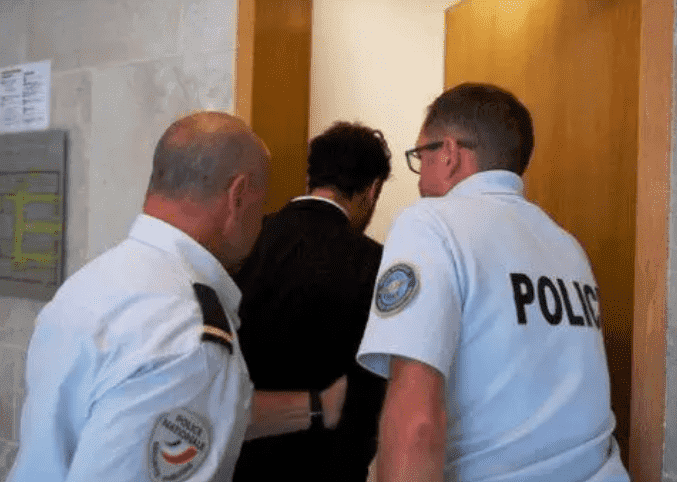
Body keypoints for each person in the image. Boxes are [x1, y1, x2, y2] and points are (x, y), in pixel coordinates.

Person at [8, 112, 346, 482]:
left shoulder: (96, 283)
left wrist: (320, 406)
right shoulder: (189, 337)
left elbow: (188, 410)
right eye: (261, 202)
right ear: (237, 196)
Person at [356, 83, 631, 481]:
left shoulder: (430, 224)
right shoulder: (567, 246)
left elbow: (416, 424)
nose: (419, 179)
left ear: (448, 153)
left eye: (421, 156)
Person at [232, 121, 391, 481]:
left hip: (239, 462)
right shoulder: (376, 265)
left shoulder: (245, 243)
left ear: (310, 178)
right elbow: (373, 386)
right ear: (372, 190)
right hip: (329, 467)